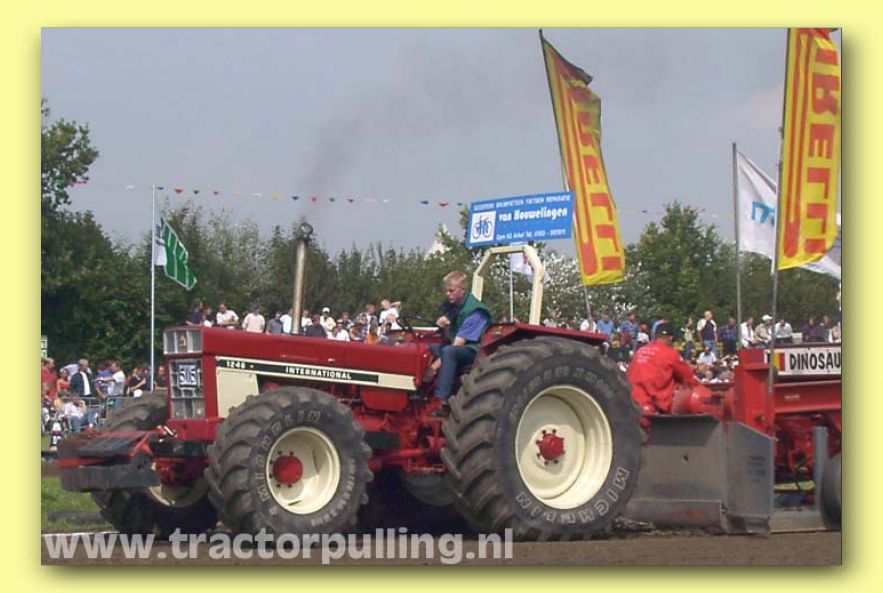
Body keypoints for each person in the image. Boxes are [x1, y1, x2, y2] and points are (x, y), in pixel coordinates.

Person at [426, 271, 492, 417]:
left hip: (474, 351)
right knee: (426, 349)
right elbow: (447, 334)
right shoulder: (452, 306)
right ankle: (419, 393)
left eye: (451, 291)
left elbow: (458, 344)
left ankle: (442, 401)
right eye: (446, 291)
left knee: (449, 352)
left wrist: (433, 368)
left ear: (463, 290)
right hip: (456, 345)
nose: (448, 294)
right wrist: (442, 326)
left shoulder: (475, 311)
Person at [626, 322, 698, 415]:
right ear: (670, 338)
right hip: (653, 406)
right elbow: (688, 378)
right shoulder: (670, 353)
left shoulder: (640, 351)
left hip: (632, 401)